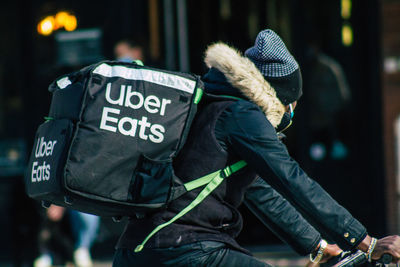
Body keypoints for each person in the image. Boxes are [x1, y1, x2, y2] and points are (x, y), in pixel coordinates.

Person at [112, 29, 400, 266]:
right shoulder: (242, 115)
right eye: (293, 100)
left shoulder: (212, 104)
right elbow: (291, 179)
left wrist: (318, 246)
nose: (293, 109)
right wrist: (364, 241)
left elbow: (261, 193)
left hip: (138, 250)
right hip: (185, 249)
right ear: (278, 96)